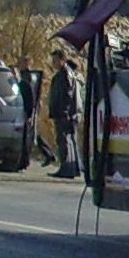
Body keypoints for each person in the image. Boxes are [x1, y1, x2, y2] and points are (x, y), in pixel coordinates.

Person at [46, 48, 82, 179]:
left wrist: (64, 111)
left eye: (55, 60)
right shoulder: (69, 73)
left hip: (64, 113)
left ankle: (67, 168)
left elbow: (67, 94)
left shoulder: (64, 74)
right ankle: (74, 167)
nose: (53, 63)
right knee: (70, 139)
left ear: (62, 60)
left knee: (64, 140)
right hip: (68, 112)